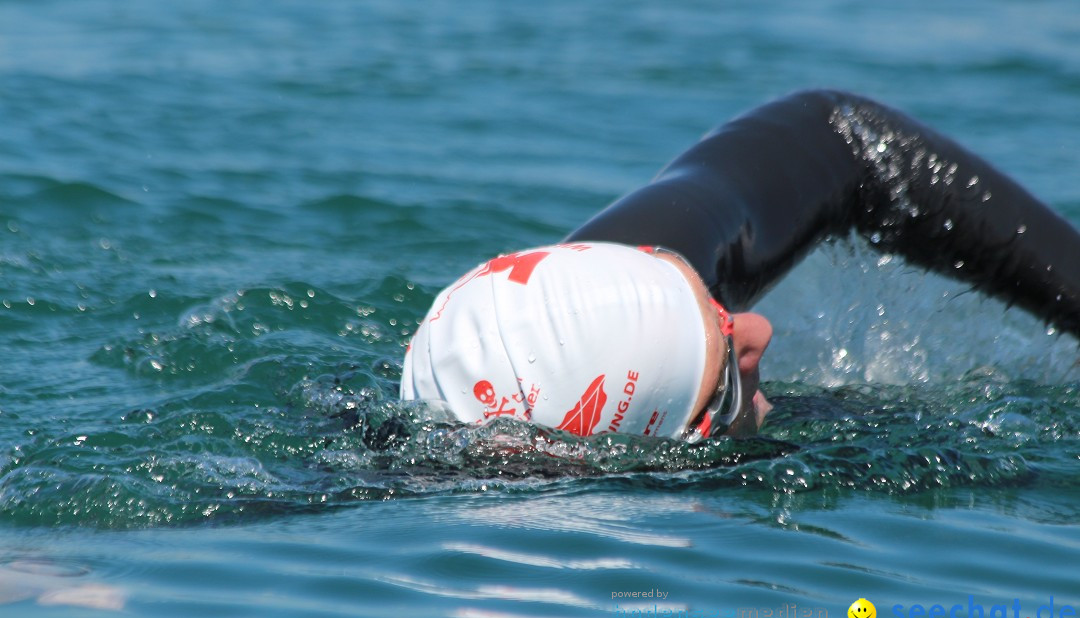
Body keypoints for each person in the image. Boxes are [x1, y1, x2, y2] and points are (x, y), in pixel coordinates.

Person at [400, 90, 1080, 441]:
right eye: (722, 372)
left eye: (704, 298)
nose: (758, 331)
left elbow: (838, 131)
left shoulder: (607, 302)